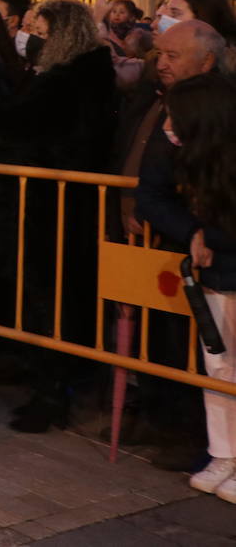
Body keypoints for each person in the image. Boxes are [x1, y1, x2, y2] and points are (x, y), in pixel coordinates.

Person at [0, 0, 117, 431]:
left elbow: (17, 124)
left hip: (61, 206)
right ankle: (49, 385)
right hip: (53, 201)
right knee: (48, 299)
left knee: (55, 301)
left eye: (37, 29)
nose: (28, 37)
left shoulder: (68, 79)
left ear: (61, 34)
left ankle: (55, 393)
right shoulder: (72, 75)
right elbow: (32, 133)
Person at [134, 72, 236, 500]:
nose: (167, 127)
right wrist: (194, 231)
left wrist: (208, 235)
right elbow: (151, 195)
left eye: (174, 118)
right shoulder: (192, 156)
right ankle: (225, 452)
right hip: (215, 275)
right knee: (219, 366)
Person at [163, 0, 236, 47]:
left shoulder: (225, 59)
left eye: (175, 13)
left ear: (202, 16)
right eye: (166, 13)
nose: (165, 19)